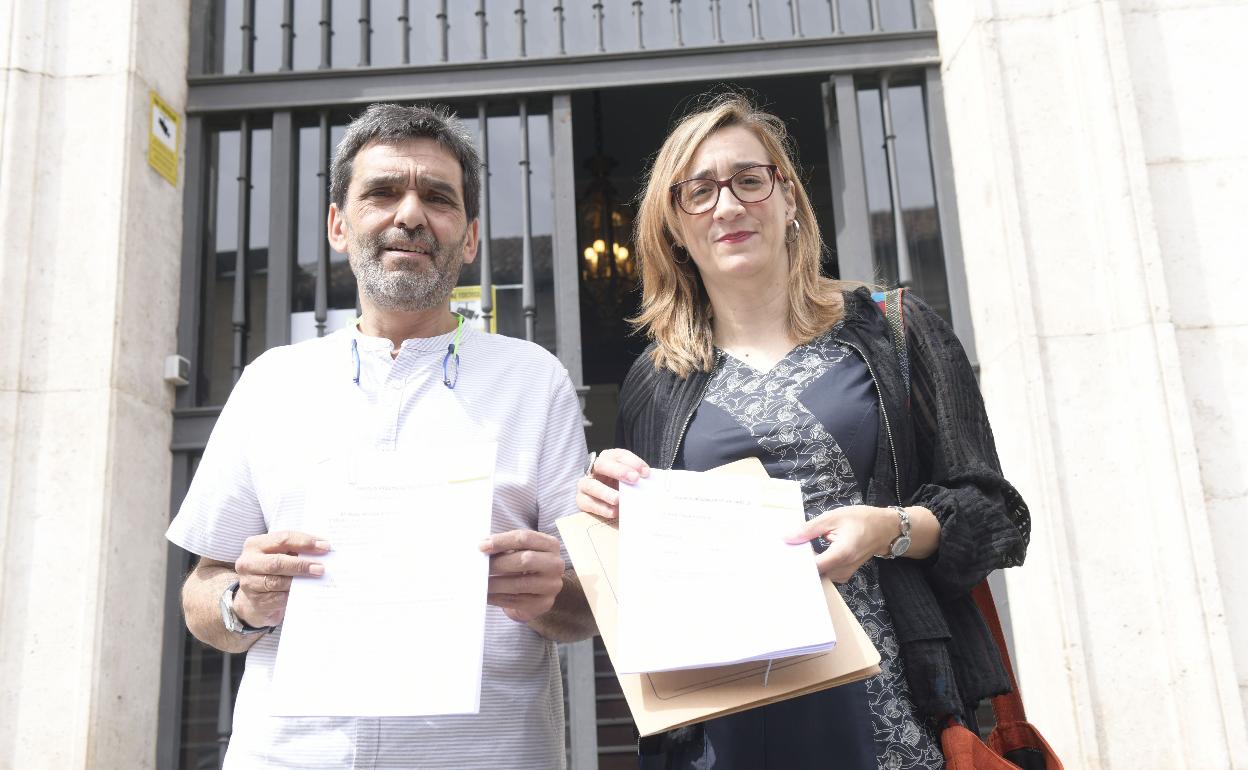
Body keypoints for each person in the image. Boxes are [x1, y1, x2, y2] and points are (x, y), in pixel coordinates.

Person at [576, 94, 1031, 769]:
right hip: (727, 728)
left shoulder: (895, 329)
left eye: (749, 180)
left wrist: (891, 529)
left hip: (897, 715)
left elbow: (999, 519)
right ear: (674, 226)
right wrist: (611, 514)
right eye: (698, 192)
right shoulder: (656, 378)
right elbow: (651, 585)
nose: (727, 206)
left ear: (788, 199)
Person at [169, 103, 595, 769]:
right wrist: (244, 602)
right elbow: (202, 595)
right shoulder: (271, 383)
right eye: (382, 193)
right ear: (339, 225)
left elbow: (587, 604)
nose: (410, 214)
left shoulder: (534, 383)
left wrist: (547, 598)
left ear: (471, 236)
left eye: (437, 197)